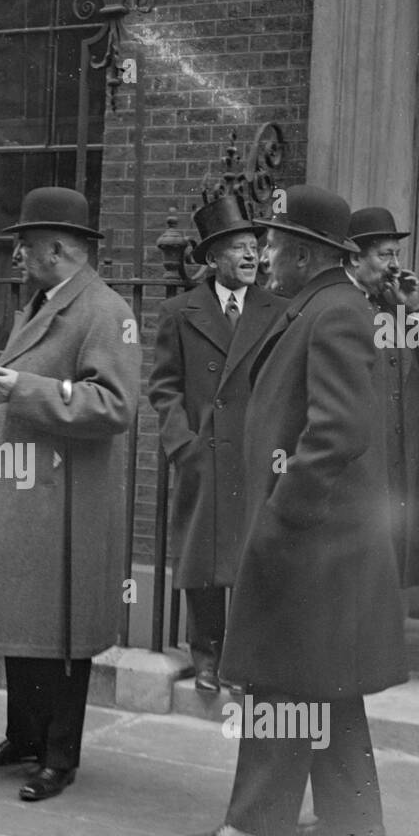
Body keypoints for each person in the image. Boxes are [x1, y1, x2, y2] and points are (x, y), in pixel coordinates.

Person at [180, 185, 407, 836]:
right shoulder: (325, 304)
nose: (266, 253)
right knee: (326, 680)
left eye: (275, 242)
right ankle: (353, 820)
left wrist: (285, 514)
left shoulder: (332, 312)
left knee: (280, 680)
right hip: (328, 543)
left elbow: (339, 429)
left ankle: (253, 822)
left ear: (306, 253)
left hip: (313, 540)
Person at [0, 187, 140, 801]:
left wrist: (23, 389)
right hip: (29, 497)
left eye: (26, 246)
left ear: (58, 249)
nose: (18, 256)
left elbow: (114, 405)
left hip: (64, 506)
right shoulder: (47, 301)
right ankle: (24, 737)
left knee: (61, 637)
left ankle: (59, 755)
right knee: (24, 625)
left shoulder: (105, 310)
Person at [148, 196, 286, 691]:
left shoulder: (279, 311)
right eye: (237, 248)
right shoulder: (180, 312)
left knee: (254, 558)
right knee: (202, 557)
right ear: (211, 259)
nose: (251, 257)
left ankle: (243, 660)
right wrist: (181, 444)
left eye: (255, 247)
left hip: (255, 455)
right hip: (202, 454)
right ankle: (205, 655)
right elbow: (163, 388)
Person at [345, 207, 419, 585]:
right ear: (354, 257)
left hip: (399, 461)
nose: (396, 265)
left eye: (396, 254)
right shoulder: (339, 304)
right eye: (385, 255)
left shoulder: (393, 303)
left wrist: (413, 308)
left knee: (389, 568)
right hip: (361, 460)